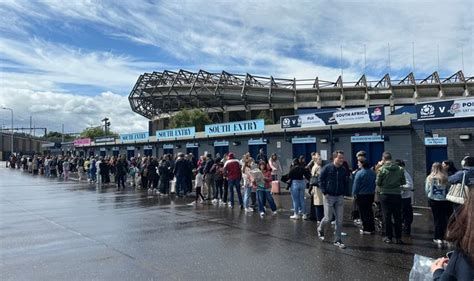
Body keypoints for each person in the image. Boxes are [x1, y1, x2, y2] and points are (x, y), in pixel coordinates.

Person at [431, 185, 474, 280]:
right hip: (442, 200)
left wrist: (437, 271)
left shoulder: (464, 257)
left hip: (435, 199)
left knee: (438, 219)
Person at [317, 150, 348, 249]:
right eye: (340, 158)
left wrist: (344, 192)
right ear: (334, 158)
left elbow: (345, 182)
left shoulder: (343, 170)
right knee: (328, 218)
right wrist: (324, 192)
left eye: (342, 158)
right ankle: (320, 228)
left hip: (339, 196)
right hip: (329, 196)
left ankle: (337, 240)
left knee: (339, 220)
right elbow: (320, 180)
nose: (342, 160)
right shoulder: (327, 168)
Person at [376, 151, 406, 244]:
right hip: (396, 195)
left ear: (383, 159)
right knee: (397, 217)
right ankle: (398, 238)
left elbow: (378, 182)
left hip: (385, 194)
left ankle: (388, 237)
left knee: (386, 216)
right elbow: (403, 182)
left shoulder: (382, 169)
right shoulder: (400, 169)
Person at [426, 162, 452, 245]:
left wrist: (429, 196)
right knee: (443, 219)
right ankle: (444, 237)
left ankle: (437, 237)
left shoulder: (430, 178)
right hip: (444, 200)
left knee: (436, 219)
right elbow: (448, 189)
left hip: (433, 200)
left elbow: (427, 190)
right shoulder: (445, 177)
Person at [352, 159, 376, 234]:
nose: (358, 164)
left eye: (358, 163)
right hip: (371, 194)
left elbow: (356, 185)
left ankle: (366, 229)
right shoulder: (373, 173)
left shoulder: (359, 173)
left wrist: (353, 194)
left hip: (362, 195)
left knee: (363, 212)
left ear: (362, 164)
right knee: (369, 211)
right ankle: (372, 228)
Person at [396, 159, 414, 236]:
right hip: (402, 198)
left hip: (405, 198)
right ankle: (403, 230)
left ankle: (406, 232)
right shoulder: (400, 173)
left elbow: (410, 186)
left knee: (405, 216)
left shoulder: (404, 174)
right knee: (402, 215)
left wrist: (398, 187)